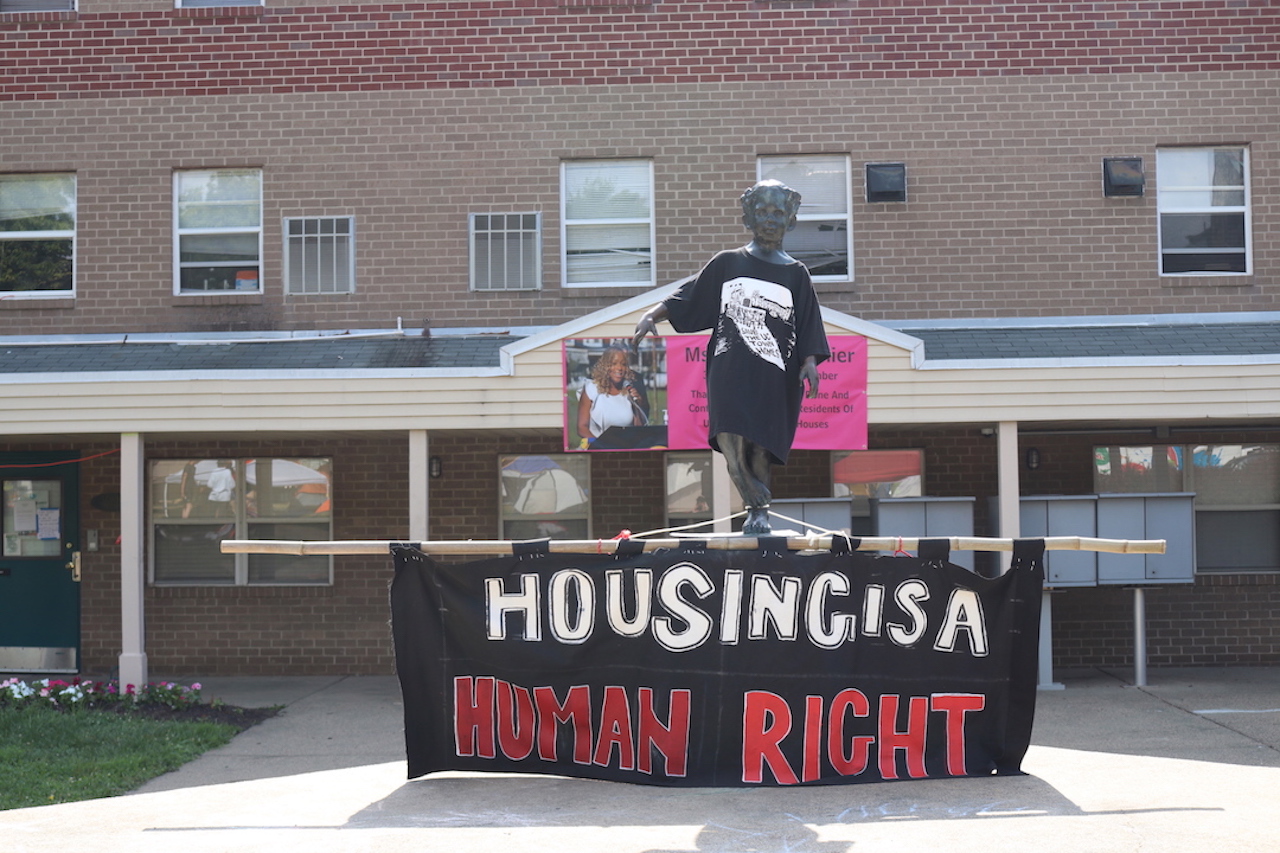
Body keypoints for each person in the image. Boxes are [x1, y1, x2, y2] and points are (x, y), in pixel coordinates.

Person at [633, 180, 829, 535]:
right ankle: (749, 488)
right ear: (748, 216)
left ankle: (759, 514)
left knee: (761, 445)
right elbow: (689, 296)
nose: (770, 219)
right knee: (729, 435)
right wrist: (652, 315)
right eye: (763, 211)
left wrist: (810, 361)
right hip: (730, 369)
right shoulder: (728, 263)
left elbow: (809, 322)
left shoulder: (796, 274)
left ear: (791, 220)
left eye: (778, 212)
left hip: (775, 374)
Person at [576, 343, 650, 448]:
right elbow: (581, 427)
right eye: (614, 363)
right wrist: (601, 446)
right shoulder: (591, 389)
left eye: (623, 364)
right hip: (596, 448)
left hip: (624, 449)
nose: (619, 368)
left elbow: (638, 429)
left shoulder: (628, 391)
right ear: (605, 366)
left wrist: (638, 403)